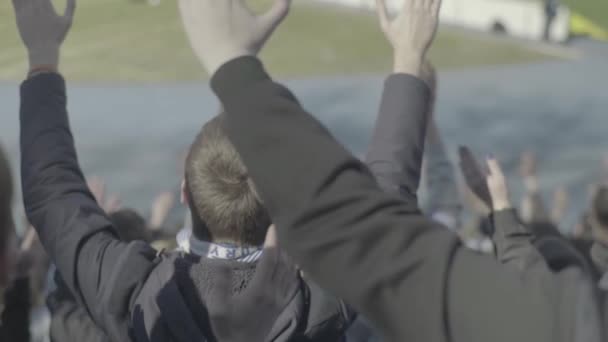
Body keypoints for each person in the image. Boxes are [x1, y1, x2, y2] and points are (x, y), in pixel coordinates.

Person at [177, 0, 605, 340]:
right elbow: (381, 206)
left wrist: (232, 66)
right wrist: (408, 59)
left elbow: (380, 218)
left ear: (185, 192)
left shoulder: (132, 289)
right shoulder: (335, 298)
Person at [11, 0, 350, 340]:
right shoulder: (325, 304)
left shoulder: (137, 292)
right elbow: (392, 182)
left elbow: (52, 193)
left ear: (185, 192)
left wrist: (42, 56)